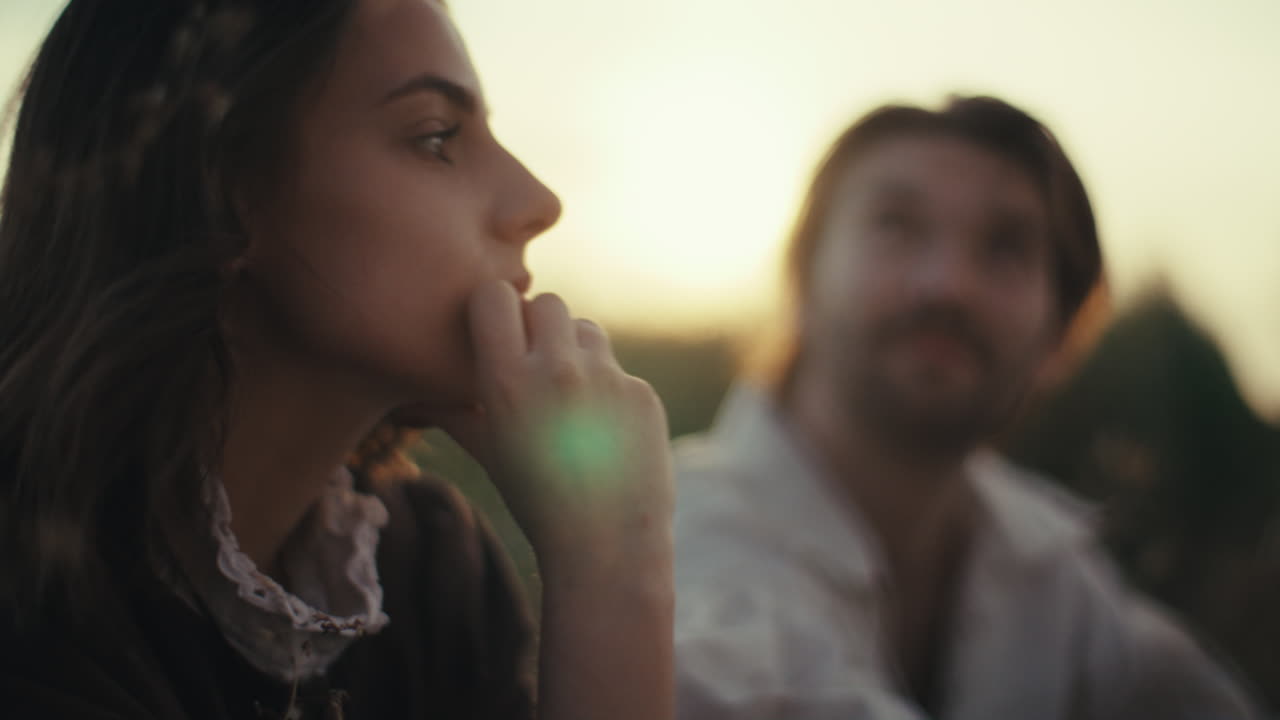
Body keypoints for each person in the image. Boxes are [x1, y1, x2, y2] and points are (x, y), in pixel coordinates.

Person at [0, 1, 674, 719]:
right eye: (437, 137)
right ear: (221, 188)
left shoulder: (430, 564)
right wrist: (611, 577)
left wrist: (611, 563)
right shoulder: (33, 609)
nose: (539, 202)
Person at [673, 96, 1259, 719]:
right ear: (802, 281)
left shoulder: (1052, 570)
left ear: (1059, 335)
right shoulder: (682, 546)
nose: (948, 284)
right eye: (896, 226)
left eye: (1006, 247)